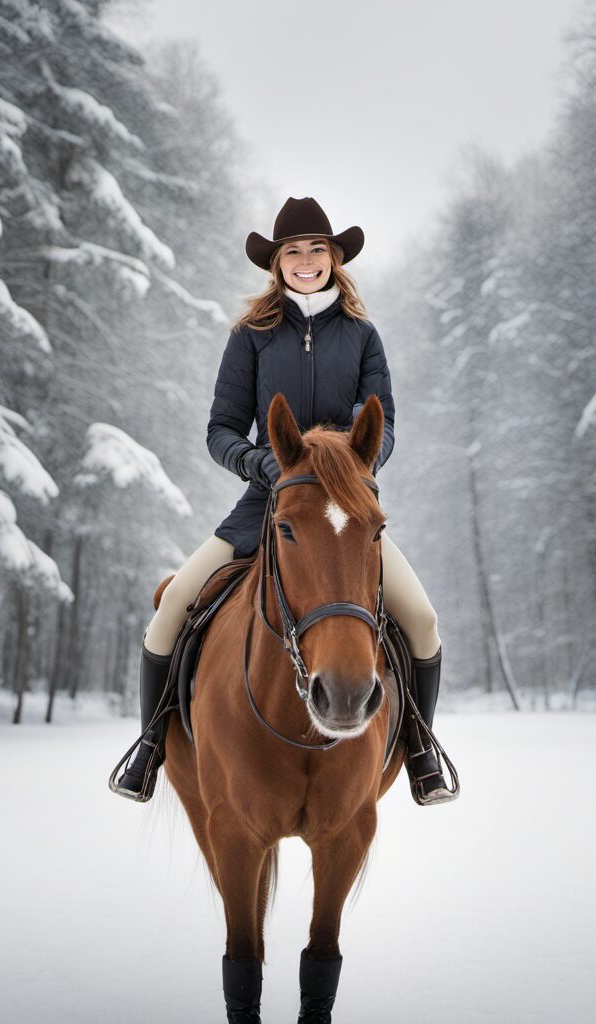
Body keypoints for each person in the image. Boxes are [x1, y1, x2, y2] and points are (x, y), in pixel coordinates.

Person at [113, 196, 455, 806]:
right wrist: (265, 464)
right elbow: (221, 429)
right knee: (169, 614)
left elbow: (386, 424)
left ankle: (422, 750)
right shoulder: (250, 337)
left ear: (334, 258)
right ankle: (149, 748)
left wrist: (352, 461)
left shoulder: (363, 336)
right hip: (263, 504)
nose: (305, 261)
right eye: (292, 252)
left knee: (423, 622)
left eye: (316, 250)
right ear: (276, 264)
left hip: (345, 512)